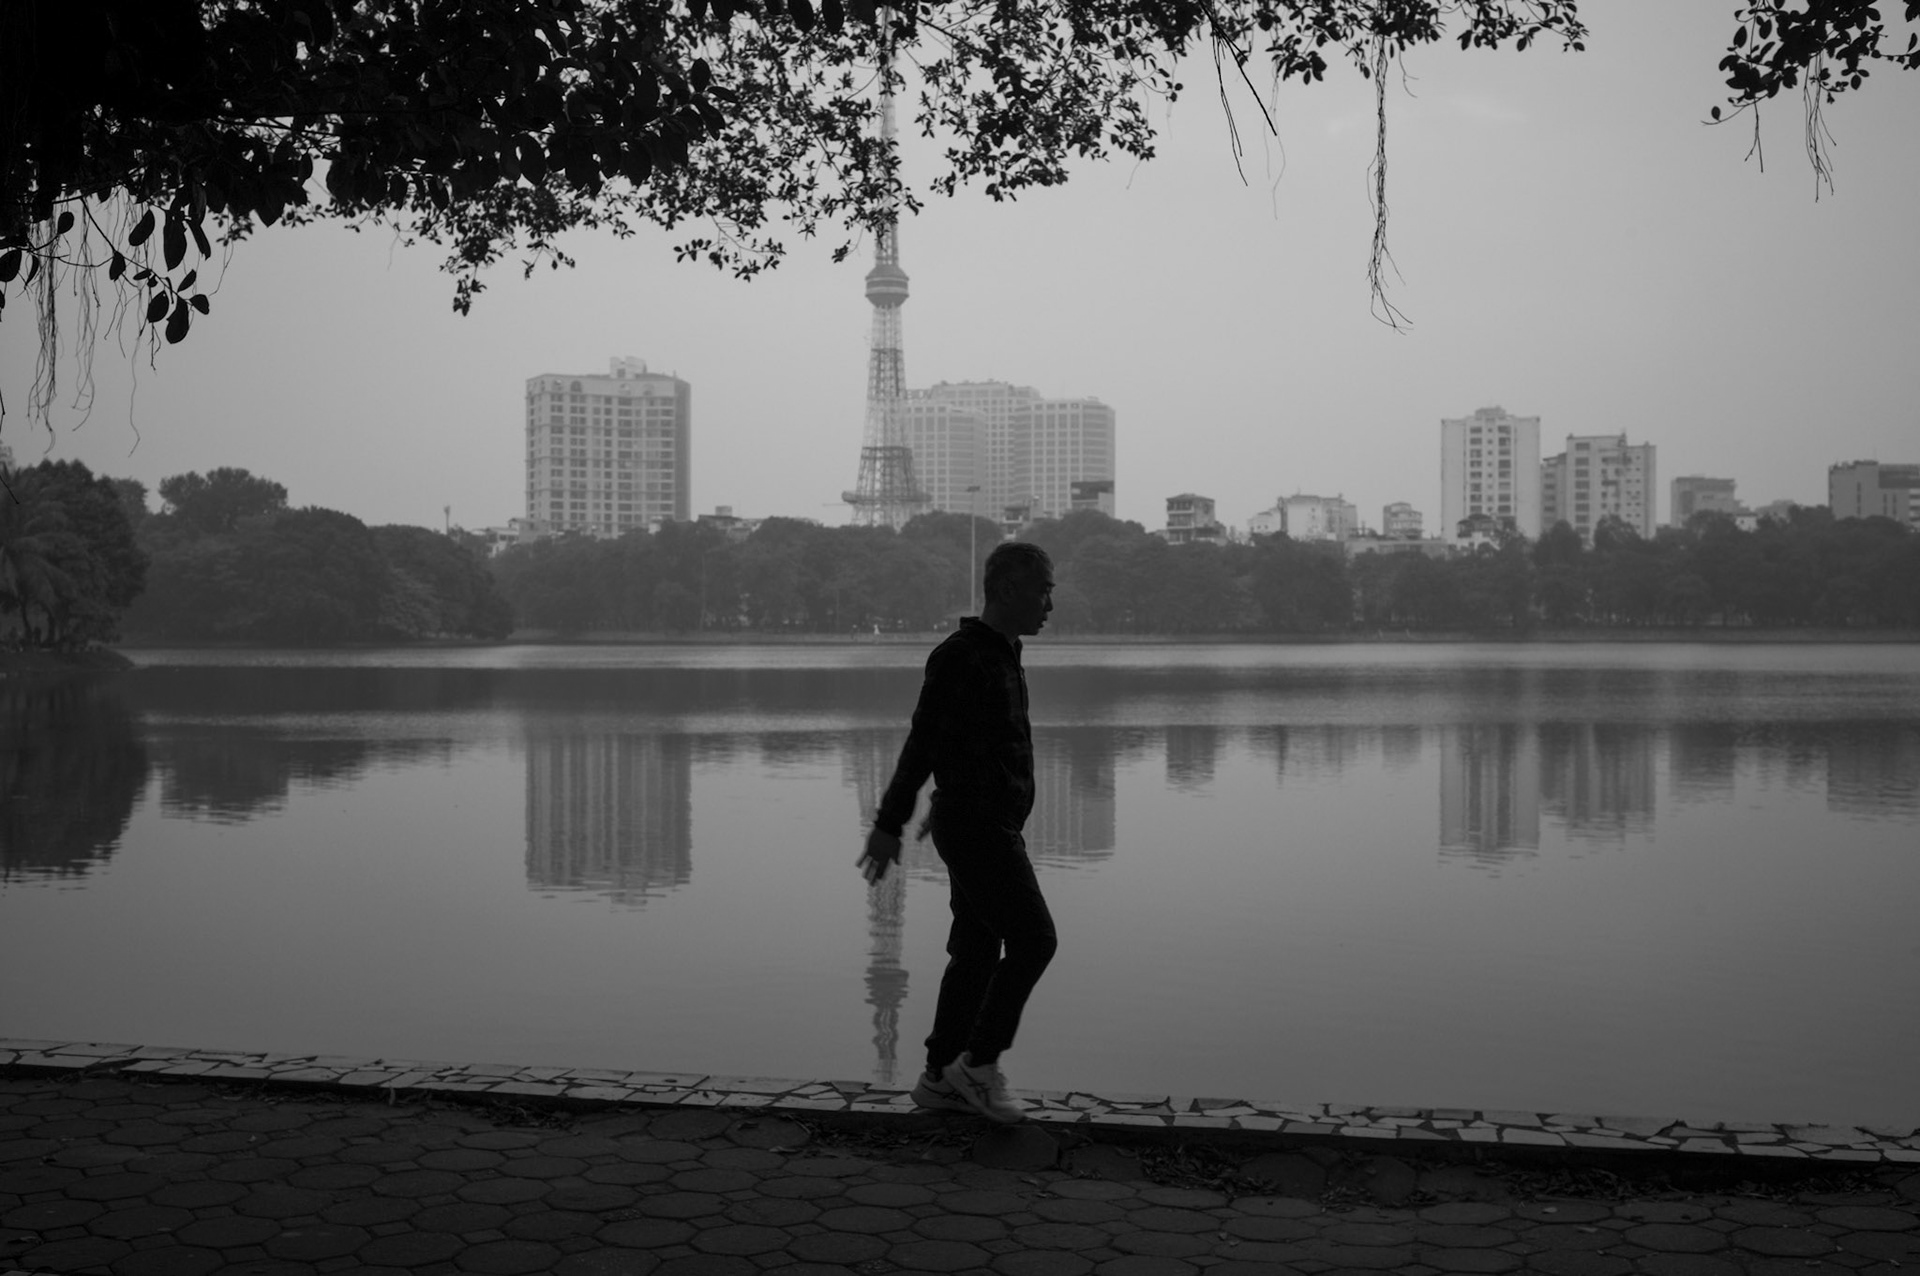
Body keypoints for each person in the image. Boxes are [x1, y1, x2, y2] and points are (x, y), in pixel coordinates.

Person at [857, 541, 1057, 1124]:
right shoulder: (962, 655)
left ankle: (941, 1075)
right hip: (978, 828)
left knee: (974, 949)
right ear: (1008, 590)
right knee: (1034, 940)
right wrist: (889, 823)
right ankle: (979, 1065)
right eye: (1044, 590)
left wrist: (938, 804)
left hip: (984, 821)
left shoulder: (1005, 651)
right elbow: (924, 741)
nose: (1050, 603)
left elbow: (969, 744)